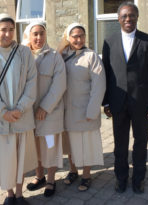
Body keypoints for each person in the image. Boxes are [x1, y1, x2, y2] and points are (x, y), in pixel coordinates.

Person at [0, 13, 37, 205]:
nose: (8, 34)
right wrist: (3, 112)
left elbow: (31, 82)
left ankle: (19, 194)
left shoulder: (24, 52)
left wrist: (20, 108)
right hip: (0, 118)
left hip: (22, 115)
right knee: (6, 159)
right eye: (3, 29)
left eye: (11, 29)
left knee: (20, 158)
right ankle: (10, 194)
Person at [102, 2, 148, 194]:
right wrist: (106, 101)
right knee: (120, 144)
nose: (128, 19)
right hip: (118, 102)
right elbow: (106, 74)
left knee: (140, 142)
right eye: (124, 16)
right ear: (118, 19)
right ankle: (121, 178)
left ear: (137, 17)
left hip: (142, 103)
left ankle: (139, 179)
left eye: (132, 16)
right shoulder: (109, 41)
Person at [57, 23, 106, 192]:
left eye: (81, 36)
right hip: (67, 109)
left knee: (87, 144)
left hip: (85, 109)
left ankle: (86, 174)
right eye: (74, 36)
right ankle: (72, 170)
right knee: (70, 144)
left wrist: (93, 110)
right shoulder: (62, 55)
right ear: (68, 37)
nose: (78, 39)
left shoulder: (91, 56)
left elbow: (99, 86)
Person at [21, 22, 66, 197]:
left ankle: (51, 180)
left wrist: (45, 107)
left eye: (42, 34)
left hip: (49, 114)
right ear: (29, 35)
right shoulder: (23, 55)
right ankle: (39, 176)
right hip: (28, 113)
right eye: (35, 34)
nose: (39, 38)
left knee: (50, 147)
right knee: (35, 148)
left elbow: (59, 84)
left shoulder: (54, 56)